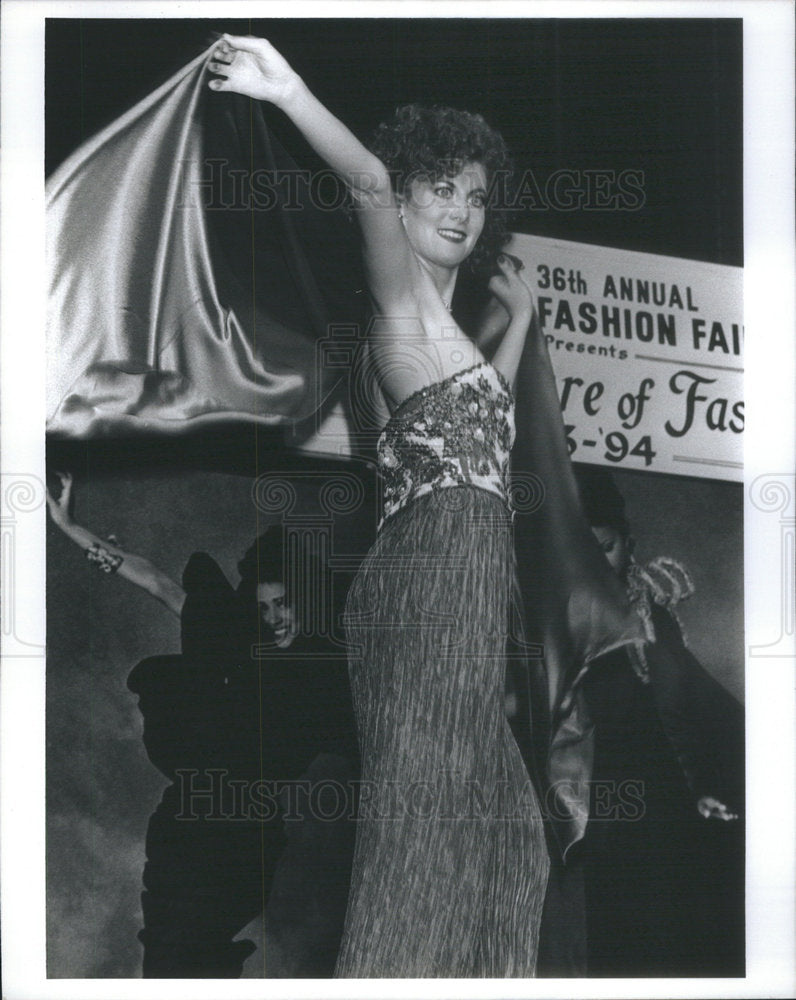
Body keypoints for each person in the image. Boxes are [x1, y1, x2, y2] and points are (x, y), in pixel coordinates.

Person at [206, 34, 550, 977]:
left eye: (477, 197)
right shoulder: (399, 306)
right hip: (437, 567)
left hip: (461, 569)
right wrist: (287, 89)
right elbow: (361, 185)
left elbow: (485, 421)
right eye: (440, 186)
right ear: (401, 198)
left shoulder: (446, 337)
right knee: (428, 838)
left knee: (513, 842)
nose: (463, 210)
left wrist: (517, 325)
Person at [46, 471, 358, 977]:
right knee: (167, 951)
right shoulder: (237, 642)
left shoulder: (325, 677)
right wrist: (71, 526)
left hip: (246, 835)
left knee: (202, 954)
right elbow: (158, 582)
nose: (275, 618)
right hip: (188, 820)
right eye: (263, 608)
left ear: (304, 600)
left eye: (283, 603)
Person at [574, 467, 744, 976]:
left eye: (605, 547)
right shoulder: (561, 616)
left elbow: (684, 699)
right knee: (613, 930)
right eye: (581, 548)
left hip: (660, 793)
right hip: (595, 794)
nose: (594, 560)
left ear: (629, 544)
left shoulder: (649, 608)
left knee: (676, 924)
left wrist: (704, 782)